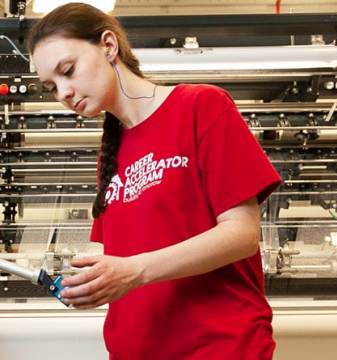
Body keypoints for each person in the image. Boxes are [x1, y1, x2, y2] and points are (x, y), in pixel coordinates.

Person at [28, 3, 282, 359]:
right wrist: (94, 284)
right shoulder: (110, 154)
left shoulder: (200, 106)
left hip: (219, 347)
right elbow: (124, 263)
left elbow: (242, 235)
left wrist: (133, 271)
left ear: (108, 45)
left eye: (68, 70)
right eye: (51, 87)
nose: (64, 93)